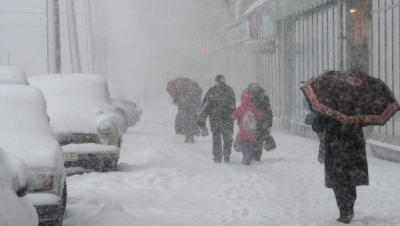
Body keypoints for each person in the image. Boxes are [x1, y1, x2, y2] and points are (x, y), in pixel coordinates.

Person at [312, 113, 369, 224]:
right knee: (350, 180)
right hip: (354, 148)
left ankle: (344, 210)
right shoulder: (355, 106)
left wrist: (316, 119)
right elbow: (364, 122)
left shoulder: (328, 108)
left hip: (335, 149)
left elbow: (317, 126)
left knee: (338, 181)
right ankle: (348, 208)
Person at [198, 74, 236, 163]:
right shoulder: (229, 91)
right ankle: (224, 155)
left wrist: (202, 119)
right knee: (226, 138)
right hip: (226, 119)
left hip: (216, 119)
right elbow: (233, 107)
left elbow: (205, 107)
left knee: (218, 138)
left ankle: (218, 157)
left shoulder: (212, 92)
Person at [232, 89, 262, 165]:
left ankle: (245, 158)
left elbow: (233, 116)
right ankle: (248, 157)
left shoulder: (240, 108)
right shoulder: (253, 107)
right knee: (249, 145)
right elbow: (259, 116)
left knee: (244, 146)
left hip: (243, 131)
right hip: (251, 131)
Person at [247, 83, 273, 161]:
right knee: (260, 139)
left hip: (251, 121)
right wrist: (269, 123)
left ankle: (251, 154)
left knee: (251, 138)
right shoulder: (264, 98)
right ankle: (257, 155)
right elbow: (269, 111)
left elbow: (245, 109)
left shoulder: (249, 97)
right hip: (263, 122)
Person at [303, 97, 325, 163]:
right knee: (323, 140)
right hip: (321, 123)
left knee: (323, 140)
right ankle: (322, 158)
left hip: (320, 123)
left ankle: (322, 158)